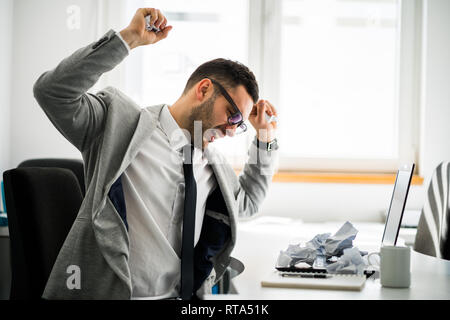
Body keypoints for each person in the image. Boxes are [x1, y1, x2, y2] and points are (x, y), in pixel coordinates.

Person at [33, 7, 279, 300]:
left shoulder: (214, 166)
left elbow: (248, 202)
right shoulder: (119, 123)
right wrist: (128, 40)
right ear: (203, 89)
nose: (230, 130)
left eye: (239, 126)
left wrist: (265, 138)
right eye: (233, 116)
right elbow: (52, 92)